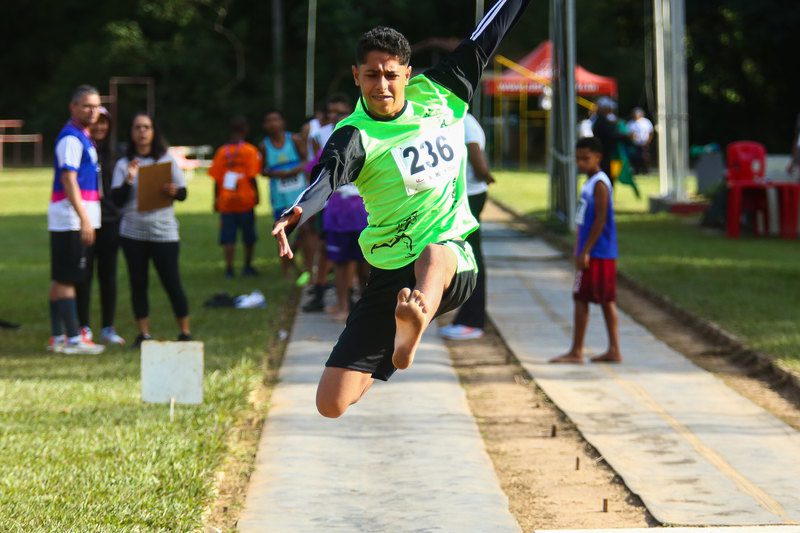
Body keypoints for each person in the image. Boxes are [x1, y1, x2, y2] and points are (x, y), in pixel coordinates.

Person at [272, 0, 531, 418]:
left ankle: (417, 323)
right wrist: (298, 211)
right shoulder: (355, 134)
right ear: (356, 75)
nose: (382, 86)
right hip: (390, 275)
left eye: (391, 75)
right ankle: (397, 342)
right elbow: (327, 176)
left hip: (450, 263)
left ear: (408, 75)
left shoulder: (443, 90)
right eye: (371, 76)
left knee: (434, 250)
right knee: (331, 403)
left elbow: (491, 31)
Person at [111, 113, 191, 348]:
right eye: (137, 127)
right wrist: (128, 179)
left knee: (171, 281)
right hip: (133, 233)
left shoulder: (166, 159)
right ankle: (143, 333)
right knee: (138, 282)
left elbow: (184, 193)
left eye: (146, 127)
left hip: (164, 232)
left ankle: (185, 331)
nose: (142, 132)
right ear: (131, 132)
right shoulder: (124, 164)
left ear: (154, 132)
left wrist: (173, 191)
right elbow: (116, 199)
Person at [550, 137, 621, 364]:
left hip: (599, 253)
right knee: (596, 299)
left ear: (598, 157)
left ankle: (578, 351)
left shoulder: (600, 184)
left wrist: (586, 251)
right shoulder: (589, 182)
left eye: (585, 158)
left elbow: (601, 220)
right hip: (592, 251)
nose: (580, 163)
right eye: (578, 159)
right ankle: (610, 349)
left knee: (587, 298)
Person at [47, 85, 105, 354]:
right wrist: (84, 218)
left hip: (73, 217)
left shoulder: (83, 136)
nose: (93, 111)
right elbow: (68, 180)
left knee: (61, 277)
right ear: (73, 107)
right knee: (68, 277)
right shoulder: (71, 138)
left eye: (96, 106)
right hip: (70, 218)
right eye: (86, 106)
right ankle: (73, 338)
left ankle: (58, 336)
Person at [439, 113, 494, 340]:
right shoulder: (460, 119)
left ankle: (472, 321)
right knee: (465, 256)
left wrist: (486, 176)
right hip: (466, 196)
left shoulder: (464, 122)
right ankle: (465, 318)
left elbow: (476, 159)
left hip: (469, 197)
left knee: (471, 257)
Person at [75, 106, 126, 346]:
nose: (100, 127)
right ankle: (83, 325)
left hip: (110, 222)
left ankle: (108, 326)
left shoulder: (117, 154)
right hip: (86, 220)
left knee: (108, 275)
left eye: (104, 122)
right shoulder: (81, 148)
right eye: (96, 122)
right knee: (83, 275)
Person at [303, 93, 358, 313]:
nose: (335, 116)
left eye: (340, 112)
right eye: (331, 112)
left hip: (355, 204)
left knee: (356, 256)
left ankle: (352, 297)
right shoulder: (320, 135)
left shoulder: (360, 133)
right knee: (328, 249)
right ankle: (322, 290)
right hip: (330, 203)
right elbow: (315, 169)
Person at [208, 116, 263, 278]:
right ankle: (247, 266)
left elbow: (217, 180)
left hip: (226, 200)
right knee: (249, 237)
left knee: (228, 238)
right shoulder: (249, 150)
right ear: (245, 130)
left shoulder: (221, 152)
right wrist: (257, 194)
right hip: (246, 200)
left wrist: (216, 199)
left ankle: (229, 269)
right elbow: (252, 176)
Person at [261, 109, 308, 280]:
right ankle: (286, 271)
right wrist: (276, 174)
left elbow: (306, 160)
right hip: (279, 196)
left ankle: (298, 257)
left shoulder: (294, 140)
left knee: (305, 231)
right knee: (281, 233)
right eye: (269, 120)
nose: (273, 123)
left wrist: (293, 170)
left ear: (283, 122)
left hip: (299, 194)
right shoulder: (264, 145)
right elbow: (263, 170)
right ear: (265, 125)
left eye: (276, 119)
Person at [627, 107, 654, 174]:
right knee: (635, 157)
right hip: (635, 144)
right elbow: (628, 133)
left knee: (645, 157)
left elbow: (651, 132)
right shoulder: (630, 123)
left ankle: (646, 170)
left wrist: (648, 141)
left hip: (645, 143)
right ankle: (636, 170)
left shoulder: (646, 122)